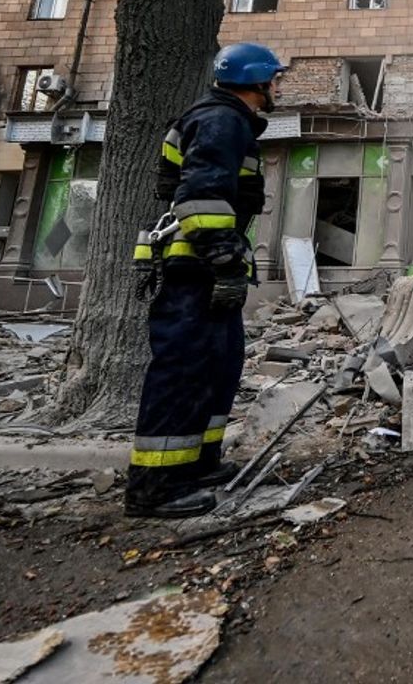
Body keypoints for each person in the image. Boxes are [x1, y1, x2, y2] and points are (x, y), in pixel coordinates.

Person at [124, 43, 286, 519]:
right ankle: (153, 486)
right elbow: (200, 193)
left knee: (219, 363)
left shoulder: (225, 119)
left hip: (203, 264)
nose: (278, 87)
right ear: (255, 82)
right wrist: (224, 257)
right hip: (196, 266)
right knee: (184, 370)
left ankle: (195, 463)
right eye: (275, 79)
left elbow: (169, 186)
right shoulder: (221, 120)